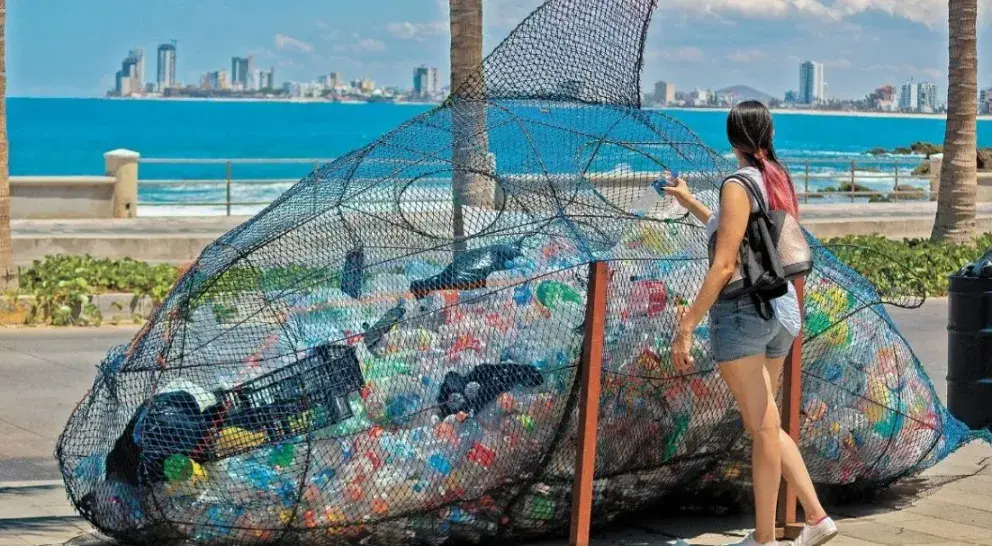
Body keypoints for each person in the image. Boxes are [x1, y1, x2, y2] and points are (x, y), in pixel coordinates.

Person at [662, 100, 838, 546]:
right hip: (781, 311)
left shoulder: (737, 184)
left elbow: (725, 264)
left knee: (761, 427)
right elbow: (746, 237)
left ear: (730, 136)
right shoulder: (775, 177)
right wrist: (690, 202)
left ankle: (790, 529)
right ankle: (789, 527)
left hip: (744, 313)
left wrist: (687, 323)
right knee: (766, 426)